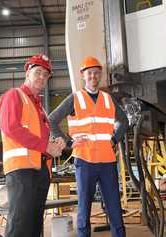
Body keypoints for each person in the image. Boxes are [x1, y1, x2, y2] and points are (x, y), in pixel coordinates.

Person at [49, 56, 128, 237]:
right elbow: (51, 120)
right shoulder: (74, 98)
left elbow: (124, 121)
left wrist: (115, 139)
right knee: (84, 211)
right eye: (89, 73)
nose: (93, 76)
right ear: (83, 75)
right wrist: (68, 143)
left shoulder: (108, 99)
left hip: (107, 162)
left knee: (115, 210)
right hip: (85, 162)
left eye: (96, 73)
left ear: (100, 75)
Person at [0, 53, 65, 237]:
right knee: (20, 225)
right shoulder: (14, 96)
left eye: (46, 74)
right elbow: (10, 127)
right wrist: (46, 146)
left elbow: (38, 141)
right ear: (27, 73)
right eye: (38, 72)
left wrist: (53, 147)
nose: (42, 77)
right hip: (21, 171)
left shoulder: (40, 109)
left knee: (35, 225)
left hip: (41, 171)